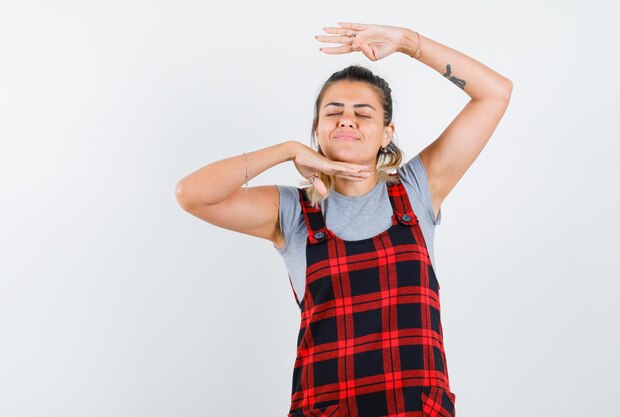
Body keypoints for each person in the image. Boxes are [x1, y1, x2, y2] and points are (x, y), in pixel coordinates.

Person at [175, 21, 512, 417]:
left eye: (363, 113)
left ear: (387, 133)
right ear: (317, 131)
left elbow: (494, 94)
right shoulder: (293, 213)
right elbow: (191, 194)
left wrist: (407, 43)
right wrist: (286, 150)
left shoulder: (418, 190)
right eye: (333, 112)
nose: (347, 120)